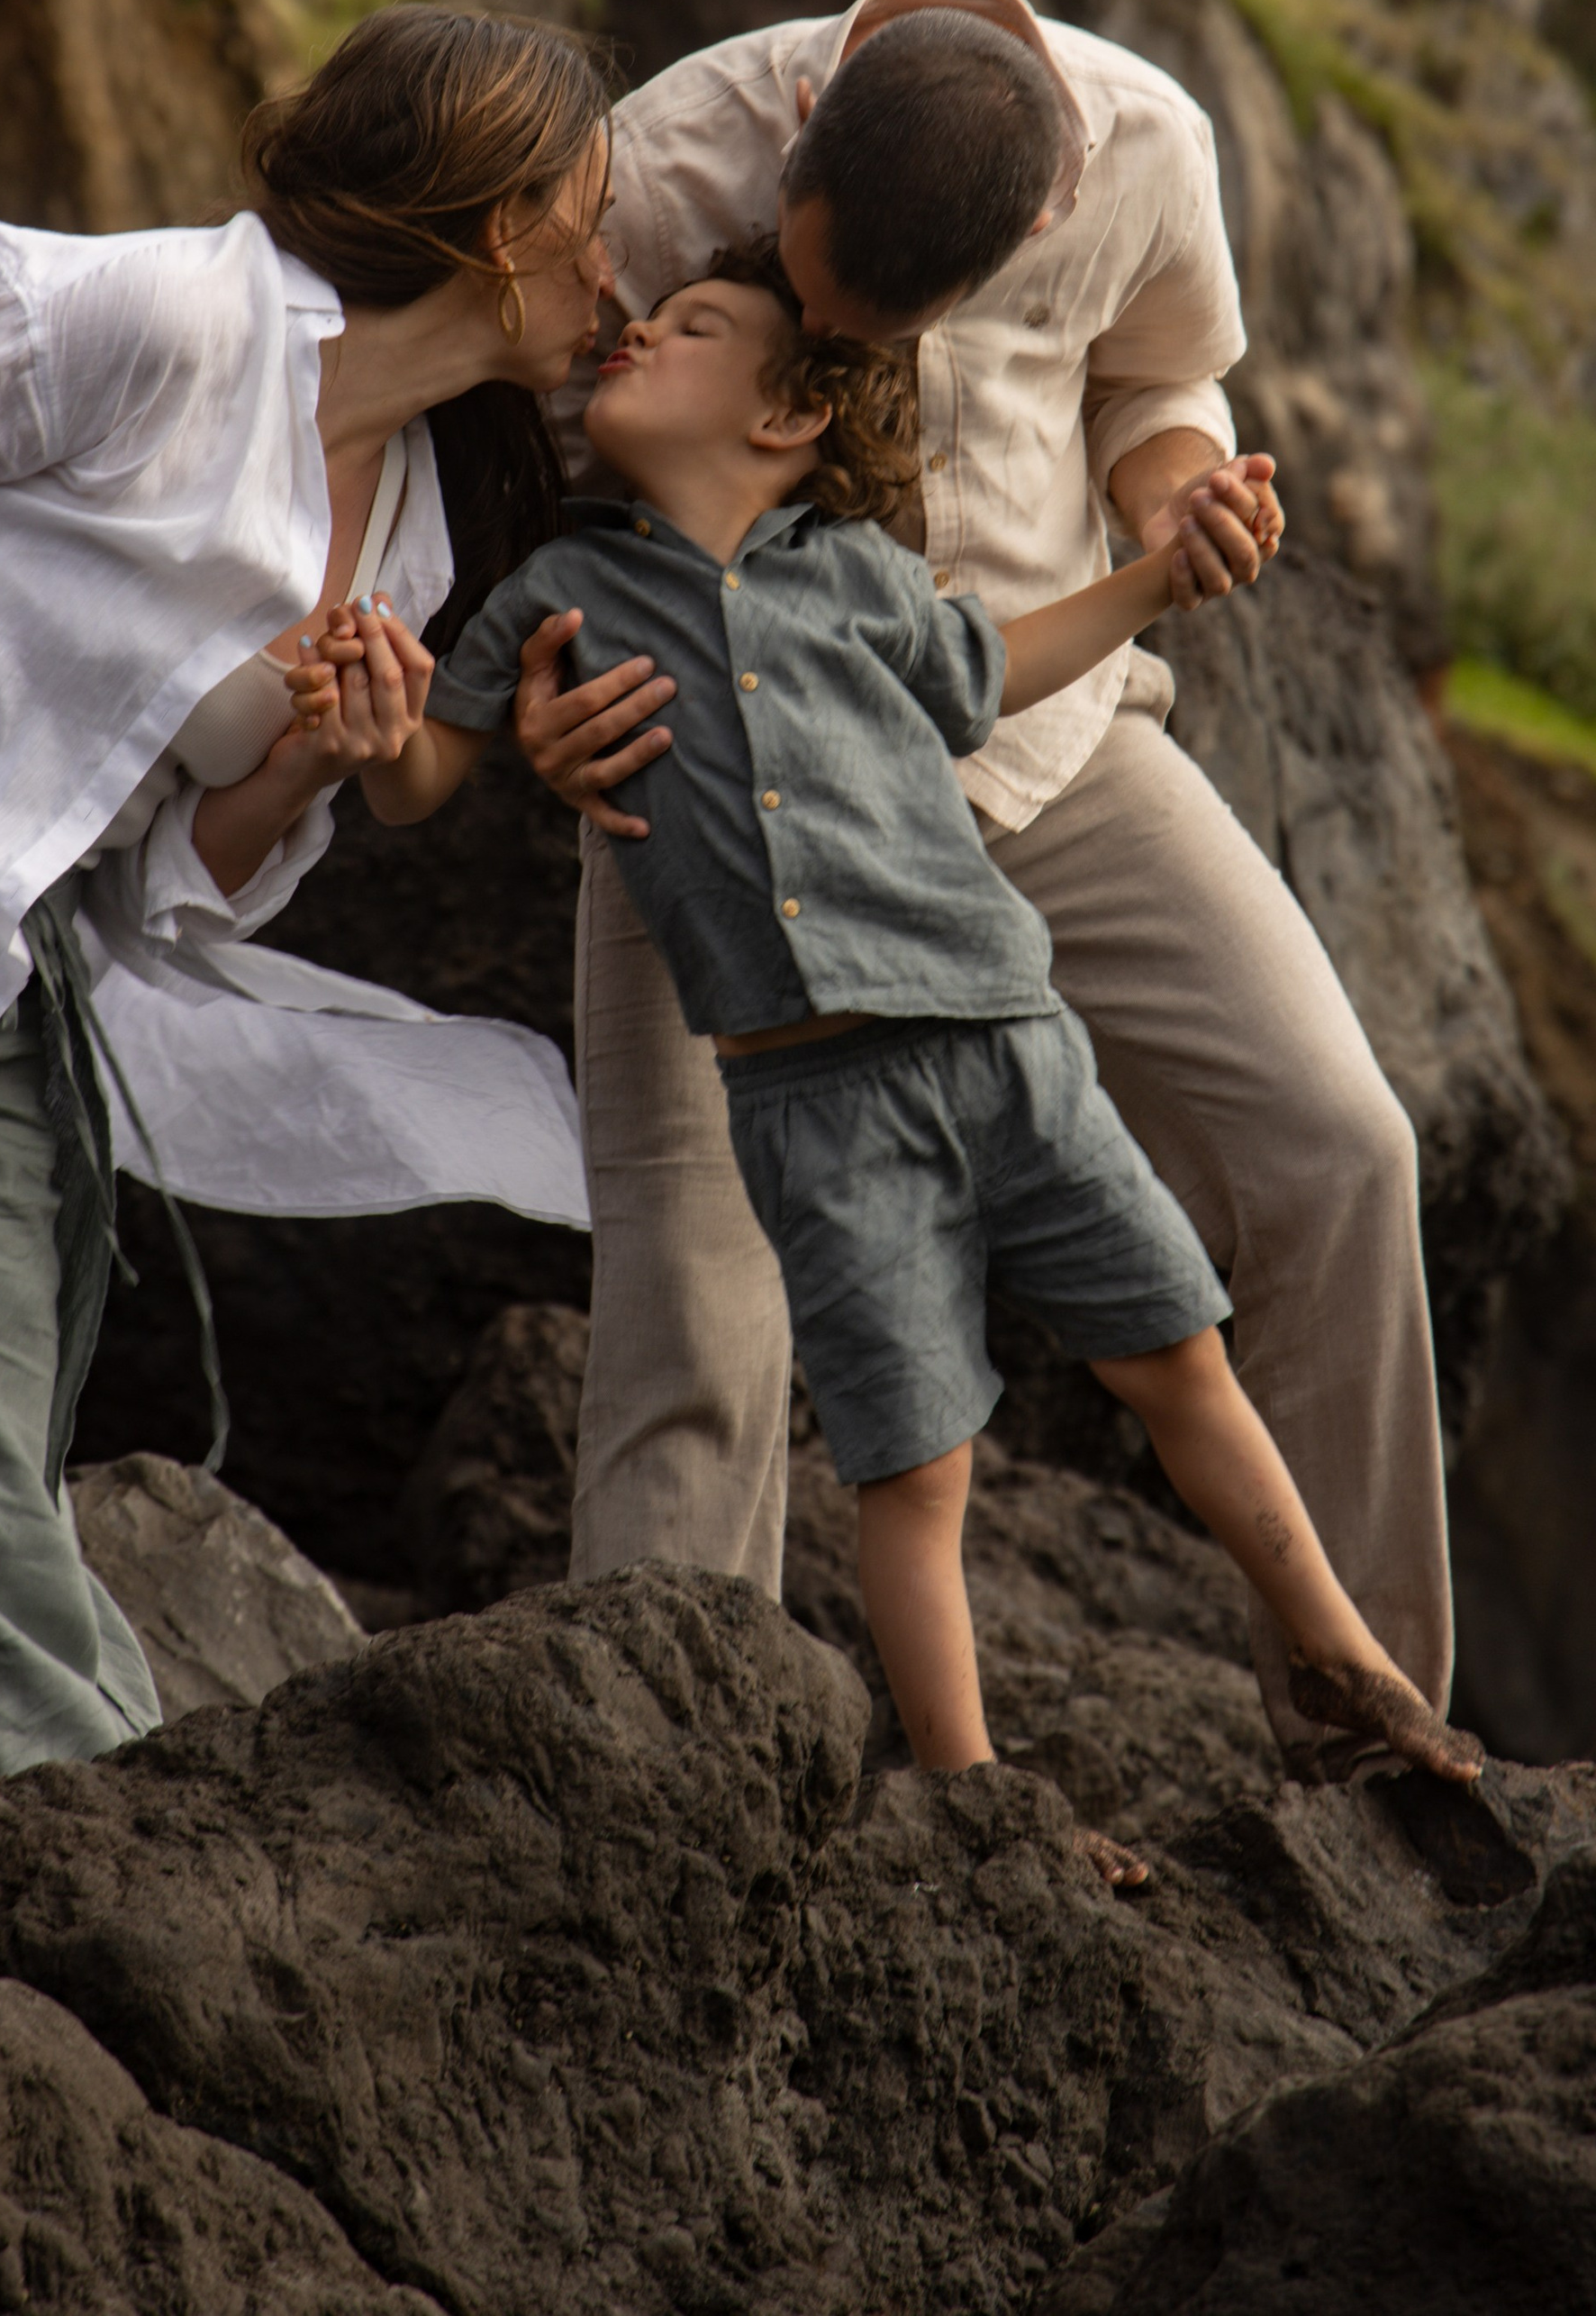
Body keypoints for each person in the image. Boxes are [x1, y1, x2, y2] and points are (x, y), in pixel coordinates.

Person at [302, 244, 1480, 1879]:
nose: (637, 331)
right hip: (810, 1109)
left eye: (691, 328)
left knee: (1181, 1363)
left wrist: (1159, 581)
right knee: (916, 1479)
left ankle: (1357, 1673)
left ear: (788, 414)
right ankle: (979, 1802)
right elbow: (430, 772)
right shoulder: (558, 589)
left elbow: (993, 675)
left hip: (1009, 1045)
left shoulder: (860, 572)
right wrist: (376, 735)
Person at [0, 3, 606, 1980]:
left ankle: (114, 2002)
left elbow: (176, 872)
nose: (628, 266)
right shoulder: (143, 321)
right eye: (603, 214)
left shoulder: (413, 524)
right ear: (506, 230)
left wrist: (315, 761)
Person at [507, 0, 1450, 1776]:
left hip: (1049, 739)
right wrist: (543, 710)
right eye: (805, 298)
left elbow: (1159, 375)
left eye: (873, 329)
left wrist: (1176, 497)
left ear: (1035, 228)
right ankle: (659, 1806)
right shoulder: (658, 165)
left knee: (1344, 1149)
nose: (827, 345)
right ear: (795, 143)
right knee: (696, 1297)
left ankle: (1377, 1753)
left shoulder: (1146, 148)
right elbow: (513, 441)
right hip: (722, 798)